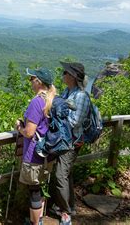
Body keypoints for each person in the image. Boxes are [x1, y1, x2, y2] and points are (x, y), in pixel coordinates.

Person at [50, 61, 90, 225]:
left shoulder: (80, 96)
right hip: (63, 140)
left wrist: (58, 111)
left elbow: (75, 122)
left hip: (72, 142)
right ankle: (70, 206)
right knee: (66, 174)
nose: (63, 75)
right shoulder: (68, 92)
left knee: (60, 175)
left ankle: (65, 213)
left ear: (72, 77)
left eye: (65, 73)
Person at [15, 67, 56, 225]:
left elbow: (29, 132)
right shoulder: (52, 99)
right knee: (39, 188)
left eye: (31, 79)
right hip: (47, 153)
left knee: (34, 191)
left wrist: (19, 127)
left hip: (34, 155)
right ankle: (38, 220)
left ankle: (35, 223)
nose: (30, 82)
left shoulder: (37, 102)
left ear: (39, 82)